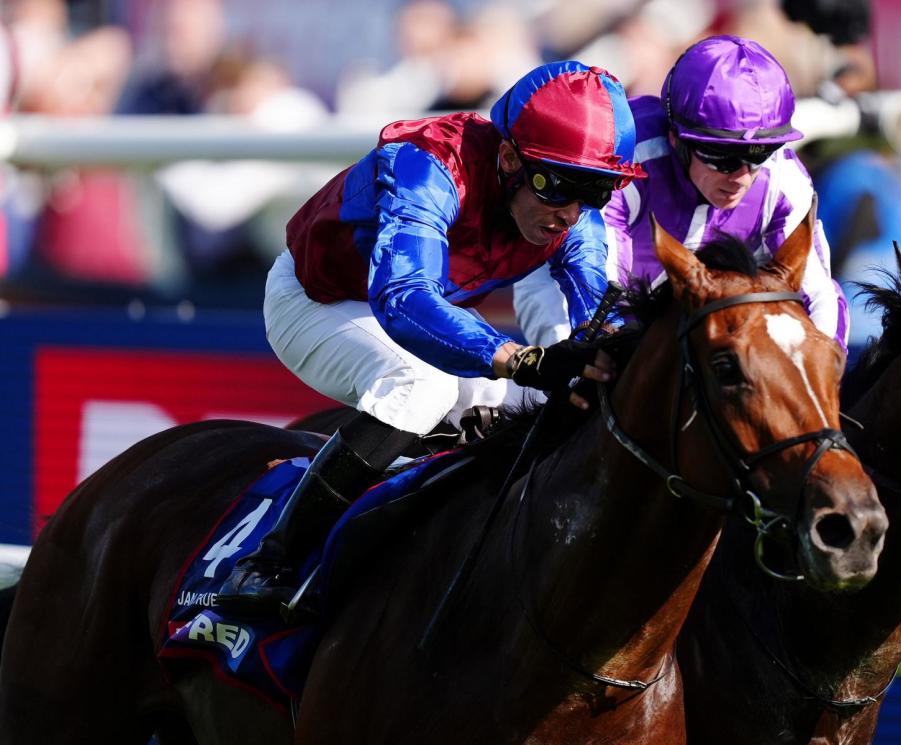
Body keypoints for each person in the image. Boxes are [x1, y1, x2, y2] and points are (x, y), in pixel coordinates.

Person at [217, 61, 644, 615]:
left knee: (548, 405)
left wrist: (602, 352)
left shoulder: (571, 207)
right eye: (556, 185)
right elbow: (405, 298)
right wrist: (520, 358)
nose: (570, 212)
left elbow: (595, 310)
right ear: (511, 159)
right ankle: (269, 561)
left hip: (424, 315)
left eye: (597, 190)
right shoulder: (429, 166)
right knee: (421, 388)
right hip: (316, 301)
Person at [514, 35, 848, 351]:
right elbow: (597, 286)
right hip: (566, 286)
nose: (742, 176)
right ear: (676, 138)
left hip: (686, 313)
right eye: (722, 157)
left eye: (759, 154)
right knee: (584, 373)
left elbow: (818, 297)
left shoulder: (782, 181)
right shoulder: (628, 162)